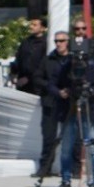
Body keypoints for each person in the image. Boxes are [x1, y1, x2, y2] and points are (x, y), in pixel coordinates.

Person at [49, 45, 94, 187]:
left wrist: (91, 91)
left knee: (91, 146)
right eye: (75, 59)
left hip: (88, 109)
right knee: (66, 148)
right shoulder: (65, 68)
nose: (78, 63)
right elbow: (52, 84)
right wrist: (61, 92)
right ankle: (66, 179)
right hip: (70, 108)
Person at [31, 31, 70, 178]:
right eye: (56, 41)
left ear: (68, 42)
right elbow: (37, 78)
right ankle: (45, 167)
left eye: (61, 40)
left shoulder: (72, 59)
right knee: (48, 137)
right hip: (51, 102)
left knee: (71, 136)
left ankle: (72, 168)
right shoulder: (48, 60)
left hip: (68, 102)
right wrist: (52, 88)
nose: (59, 44)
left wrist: (67, 90)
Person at [71, 18, 94, 159]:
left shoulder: (93, 44)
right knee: (75, 122)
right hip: (75, 87)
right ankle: (78, 153)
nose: (80, 31)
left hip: (92, 87)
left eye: (83, 28)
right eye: (77, 29)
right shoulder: (70, 45)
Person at [12, 17, 47, 94]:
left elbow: (43, 65)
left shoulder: (46, 44)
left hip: (37, 84)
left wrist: (28, 78)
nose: (31, 27)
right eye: (31, 24)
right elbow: (18, 58)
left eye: (35, 25)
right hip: (22, 82)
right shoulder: (26, 42)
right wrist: (14, 73)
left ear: (42, 28)